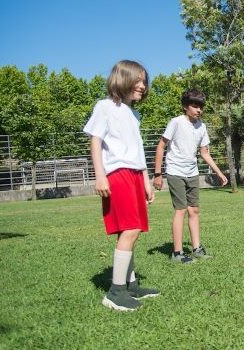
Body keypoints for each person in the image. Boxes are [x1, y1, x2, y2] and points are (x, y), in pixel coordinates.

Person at [83, 60, 160, 311]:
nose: (142, 86)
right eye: (137, 80)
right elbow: (95, 142)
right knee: (130, 228)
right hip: (118, 174)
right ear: (122, 79)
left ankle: (131, 284)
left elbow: (137, 149)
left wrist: (147, 178)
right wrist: (100, 175)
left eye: (144, 81)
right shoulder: (105, 107)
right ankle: (115, 292)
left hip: (136, 175)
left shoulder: (133, 113)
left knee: (132, 230)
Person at [153, 89, 228, 263]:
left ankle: (197, 249)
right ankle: (177, 253)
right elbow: (161, 146)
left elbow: (204, 153)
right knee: (180, 210)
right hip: (175, 172)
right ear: (186, 107)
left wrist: (219, 172)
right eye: (195, 106)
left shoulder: (201, 126)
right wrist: (158, 174)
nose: (199, 110)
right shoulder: (176, 122)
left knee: (194, 210)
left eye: (201, 107)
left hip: (192, 172)